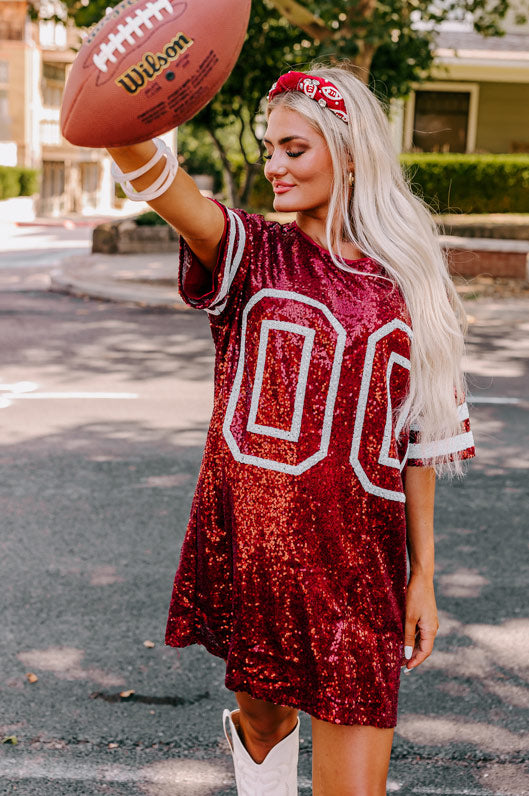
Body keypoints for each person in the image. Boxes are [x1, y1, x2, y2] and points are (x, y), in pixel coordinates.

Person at [108, 65, 475, 796]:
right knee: (266, 726)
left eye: (294, 149)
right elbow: (159, 181)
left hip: (361, 568)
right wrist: (117, 109)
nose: (274, 165)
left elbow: (419, 440)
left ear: (349, 153)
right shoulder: (251, 251)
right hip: (260, 553)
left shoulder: (413, 280)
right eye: (268, 148)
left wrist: (424, 576)